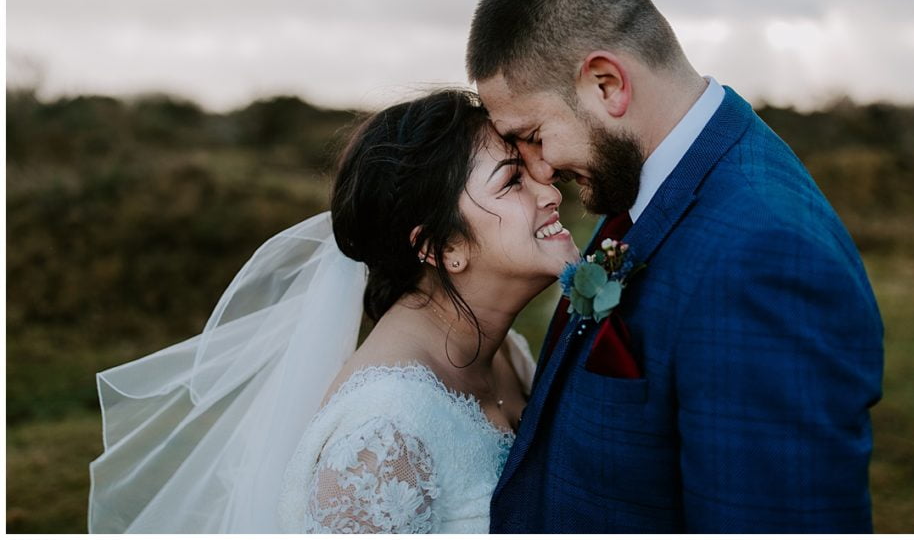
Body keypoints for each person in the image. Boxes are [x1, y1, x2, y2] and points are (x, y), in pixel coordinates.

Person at [468, 0, 885, 533]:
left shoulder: (763, 260)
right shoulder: (651, 185)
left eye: (534, 134)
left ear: (607, 83)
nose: (540, 168)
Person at [88, 89, 579, 533]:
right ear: (439, 245)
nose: (551, 192)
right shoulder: (382, 432)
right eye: (513, 181)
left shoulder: (504, 355)